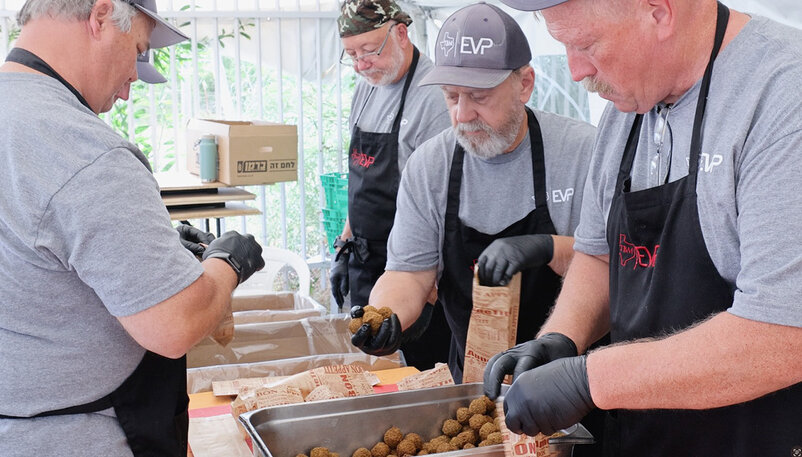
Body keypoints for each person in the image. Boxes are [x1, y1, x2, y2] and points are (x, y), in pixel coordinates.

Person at [484, 0, 802, 455]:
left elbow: (785, 335)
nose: (575, 71)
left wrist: (589, 379)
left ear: (659, 11)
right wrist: (562, 336)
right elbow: (599, 254)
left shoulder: (782, 96)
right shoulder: (627, 108)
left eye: (586, 44)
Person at [0, 1, 264, 455]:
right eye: (138, 50)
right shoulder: (80, 147)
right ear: (100, 16)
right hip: (71, 437)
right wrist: (228, 261)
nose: (130, 88)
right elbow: (175, 324)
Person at [349, 2, 596, 386]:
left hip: (575, 381)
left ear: (525, 84)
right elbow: (410, 274)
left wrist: (548, 248)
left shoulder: (583, 152)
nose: (462, 114)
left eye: (478, 97)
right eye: (451, 97)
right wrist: (387, 317)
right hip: (476, 384)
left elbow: (612, 268)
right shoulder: (430, 166)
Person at [333, 0, 453, 370]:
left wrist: (428, 291)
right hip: (367, 258)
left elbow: (442, 199)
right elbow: (358, 177)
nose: (361, 64)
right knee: (376, 373)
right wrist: (344, 243)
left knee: (420, 375)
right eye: (351, 54)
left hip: (415, 268)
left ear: (401, 33)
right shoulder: (368, 87)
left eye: (369, 50)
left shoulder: (432, 95)